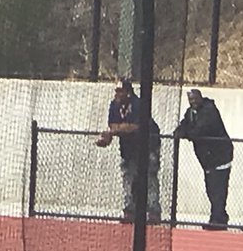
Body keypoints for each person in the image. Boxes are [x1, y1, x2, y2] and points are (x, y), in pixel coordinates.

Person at [97, 78, 161, 224]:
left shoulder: (138, 104)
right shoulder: (114, 105)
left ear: (128, 92)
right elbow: (113, 124)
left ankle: (153, 211)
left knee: (149, 177)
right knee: (128, 176)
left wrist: (115, 130)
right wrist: (110, 134)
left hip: (148, 145)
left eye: (120, 91)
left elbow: (134, 126)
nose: (117, 94)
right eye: (116, 91)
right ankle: (129, 210)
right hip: (128, 148)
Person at [173, 88, 233, 230]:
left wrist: (186, 134)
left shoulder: (209, 111)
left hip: (220, 156)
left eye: (195, 99)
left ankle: (218, 220)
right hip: (207, 159)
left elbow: (199, 131)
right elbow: (184, 126)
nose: (193, 102)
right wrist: (180, 132)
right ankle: (219, 217)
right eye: (190, 100)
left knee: (217, 189)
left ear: (200, 97)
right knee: (211, 189)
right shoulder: (191, 113)